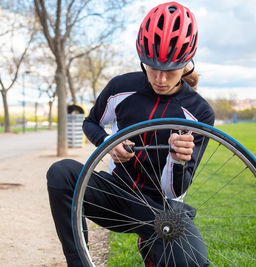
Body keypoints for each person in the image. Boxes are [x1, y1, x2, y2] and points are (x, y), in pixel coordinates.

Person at [47, 1, 214, 266]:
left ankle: (150, 242)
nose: (159, 78)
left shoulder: (199, 113)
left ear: (186, 64)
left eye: (170, 70)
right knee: (61, 172)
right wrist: (108, 142)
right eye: (151, 66)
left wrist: (177, 160)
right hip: (116, 196)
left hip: (161, 210)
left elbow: (174, 190)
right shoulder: (121, 88)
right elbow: (91, 122)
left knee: (192, 262)